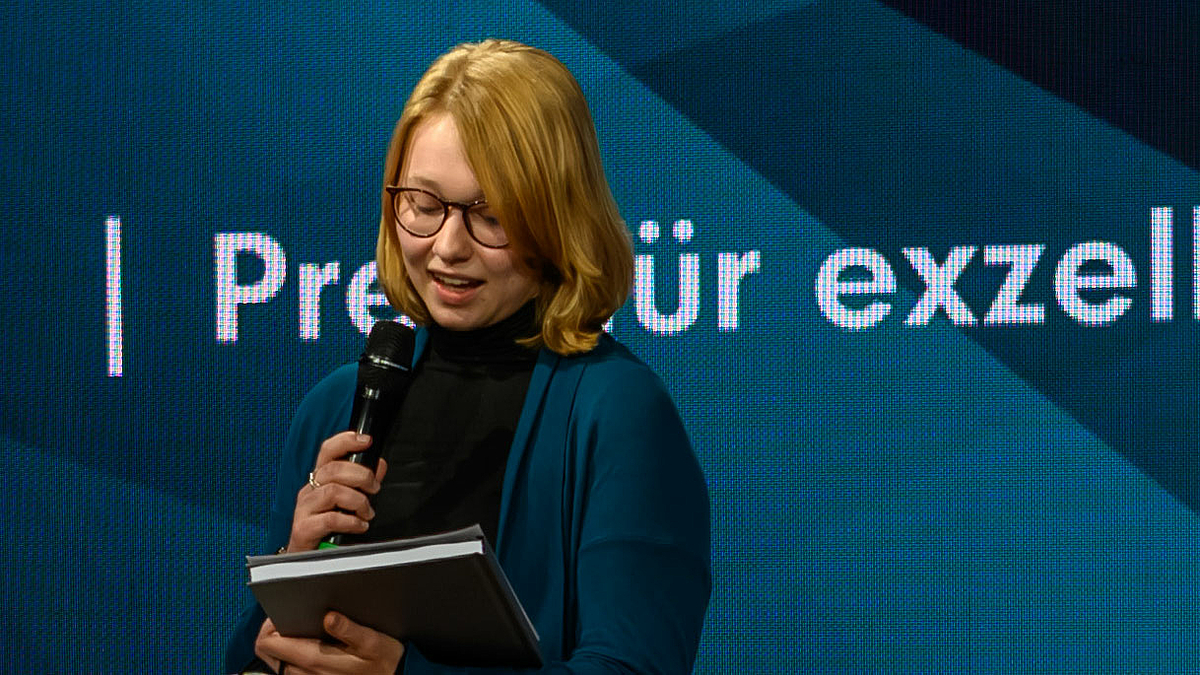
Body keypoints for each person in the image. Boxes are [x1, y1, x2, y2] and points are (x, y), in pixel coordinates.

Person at [224, 39, 711, 674]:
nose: (447, 247)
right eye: (423, 206)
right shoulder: (337, 406)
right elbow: (249, 662)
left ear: (556, 216)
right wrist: (295, 562)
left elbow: (632, 667)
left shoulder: (617, 411)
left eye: (490, 215)